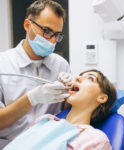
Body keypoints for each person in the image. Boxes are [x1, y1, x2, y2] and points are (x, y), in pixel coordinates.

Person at [0, 0, 72, 148]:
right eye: (46, 31)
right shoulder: (3, 65)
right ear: (28, 25)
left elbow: (69, 113)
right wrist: (32, 98)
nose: (52, 40)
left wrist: (71, 90)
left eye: (56, 35)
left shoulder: (61, 65)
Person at [4, 69, 116, 150]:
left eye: (90, 78)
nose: (77, 78)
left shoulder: (95, 139)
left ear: (102, 98)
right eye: (79, 75)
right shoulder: (44, 121)